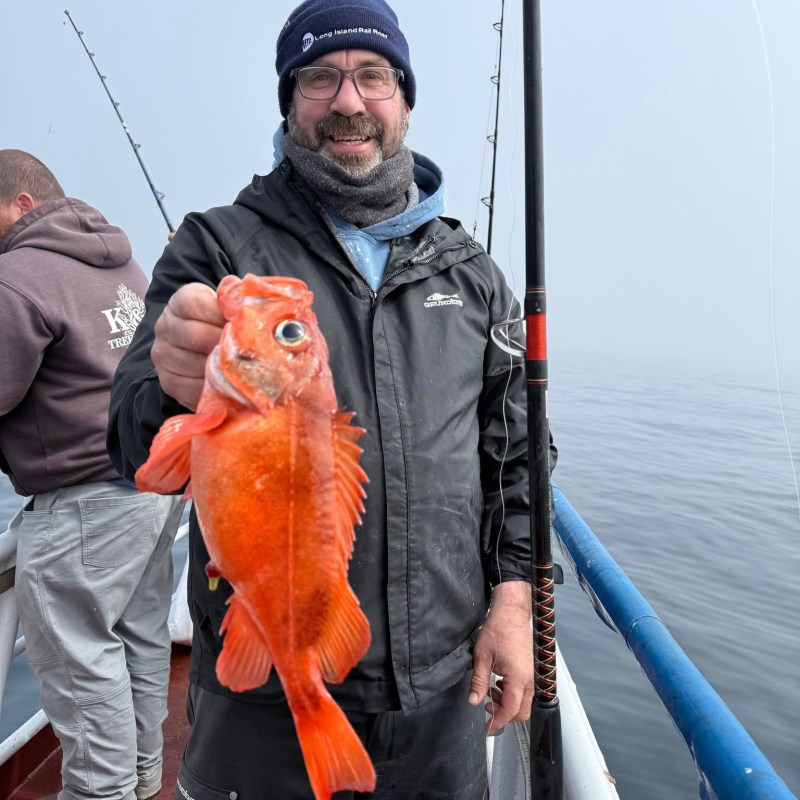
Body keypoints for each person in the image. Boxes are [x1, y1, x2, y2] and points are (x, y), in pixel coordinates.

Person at [108, 1, 556, 797]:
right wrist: (173, 386)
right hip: (261, 704)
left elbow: (517, 457)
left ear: (404, 101)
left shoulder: (474, 275)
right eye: (319, 78)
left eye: (373, 76)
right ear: (289, 102)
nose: (348, 102)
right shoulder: (214, 246)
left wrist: (515, 599)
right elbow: (132, 440)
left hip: (442, 693)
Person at [0, 149, 183, 800]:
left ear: (23, 205)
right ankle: (138, 784)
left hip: (82, 499)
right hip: (152, 486)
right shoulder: (121, 262)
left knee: (82, 660)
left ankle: (101, 793)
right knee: (138, 638)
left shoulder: (17, 276)